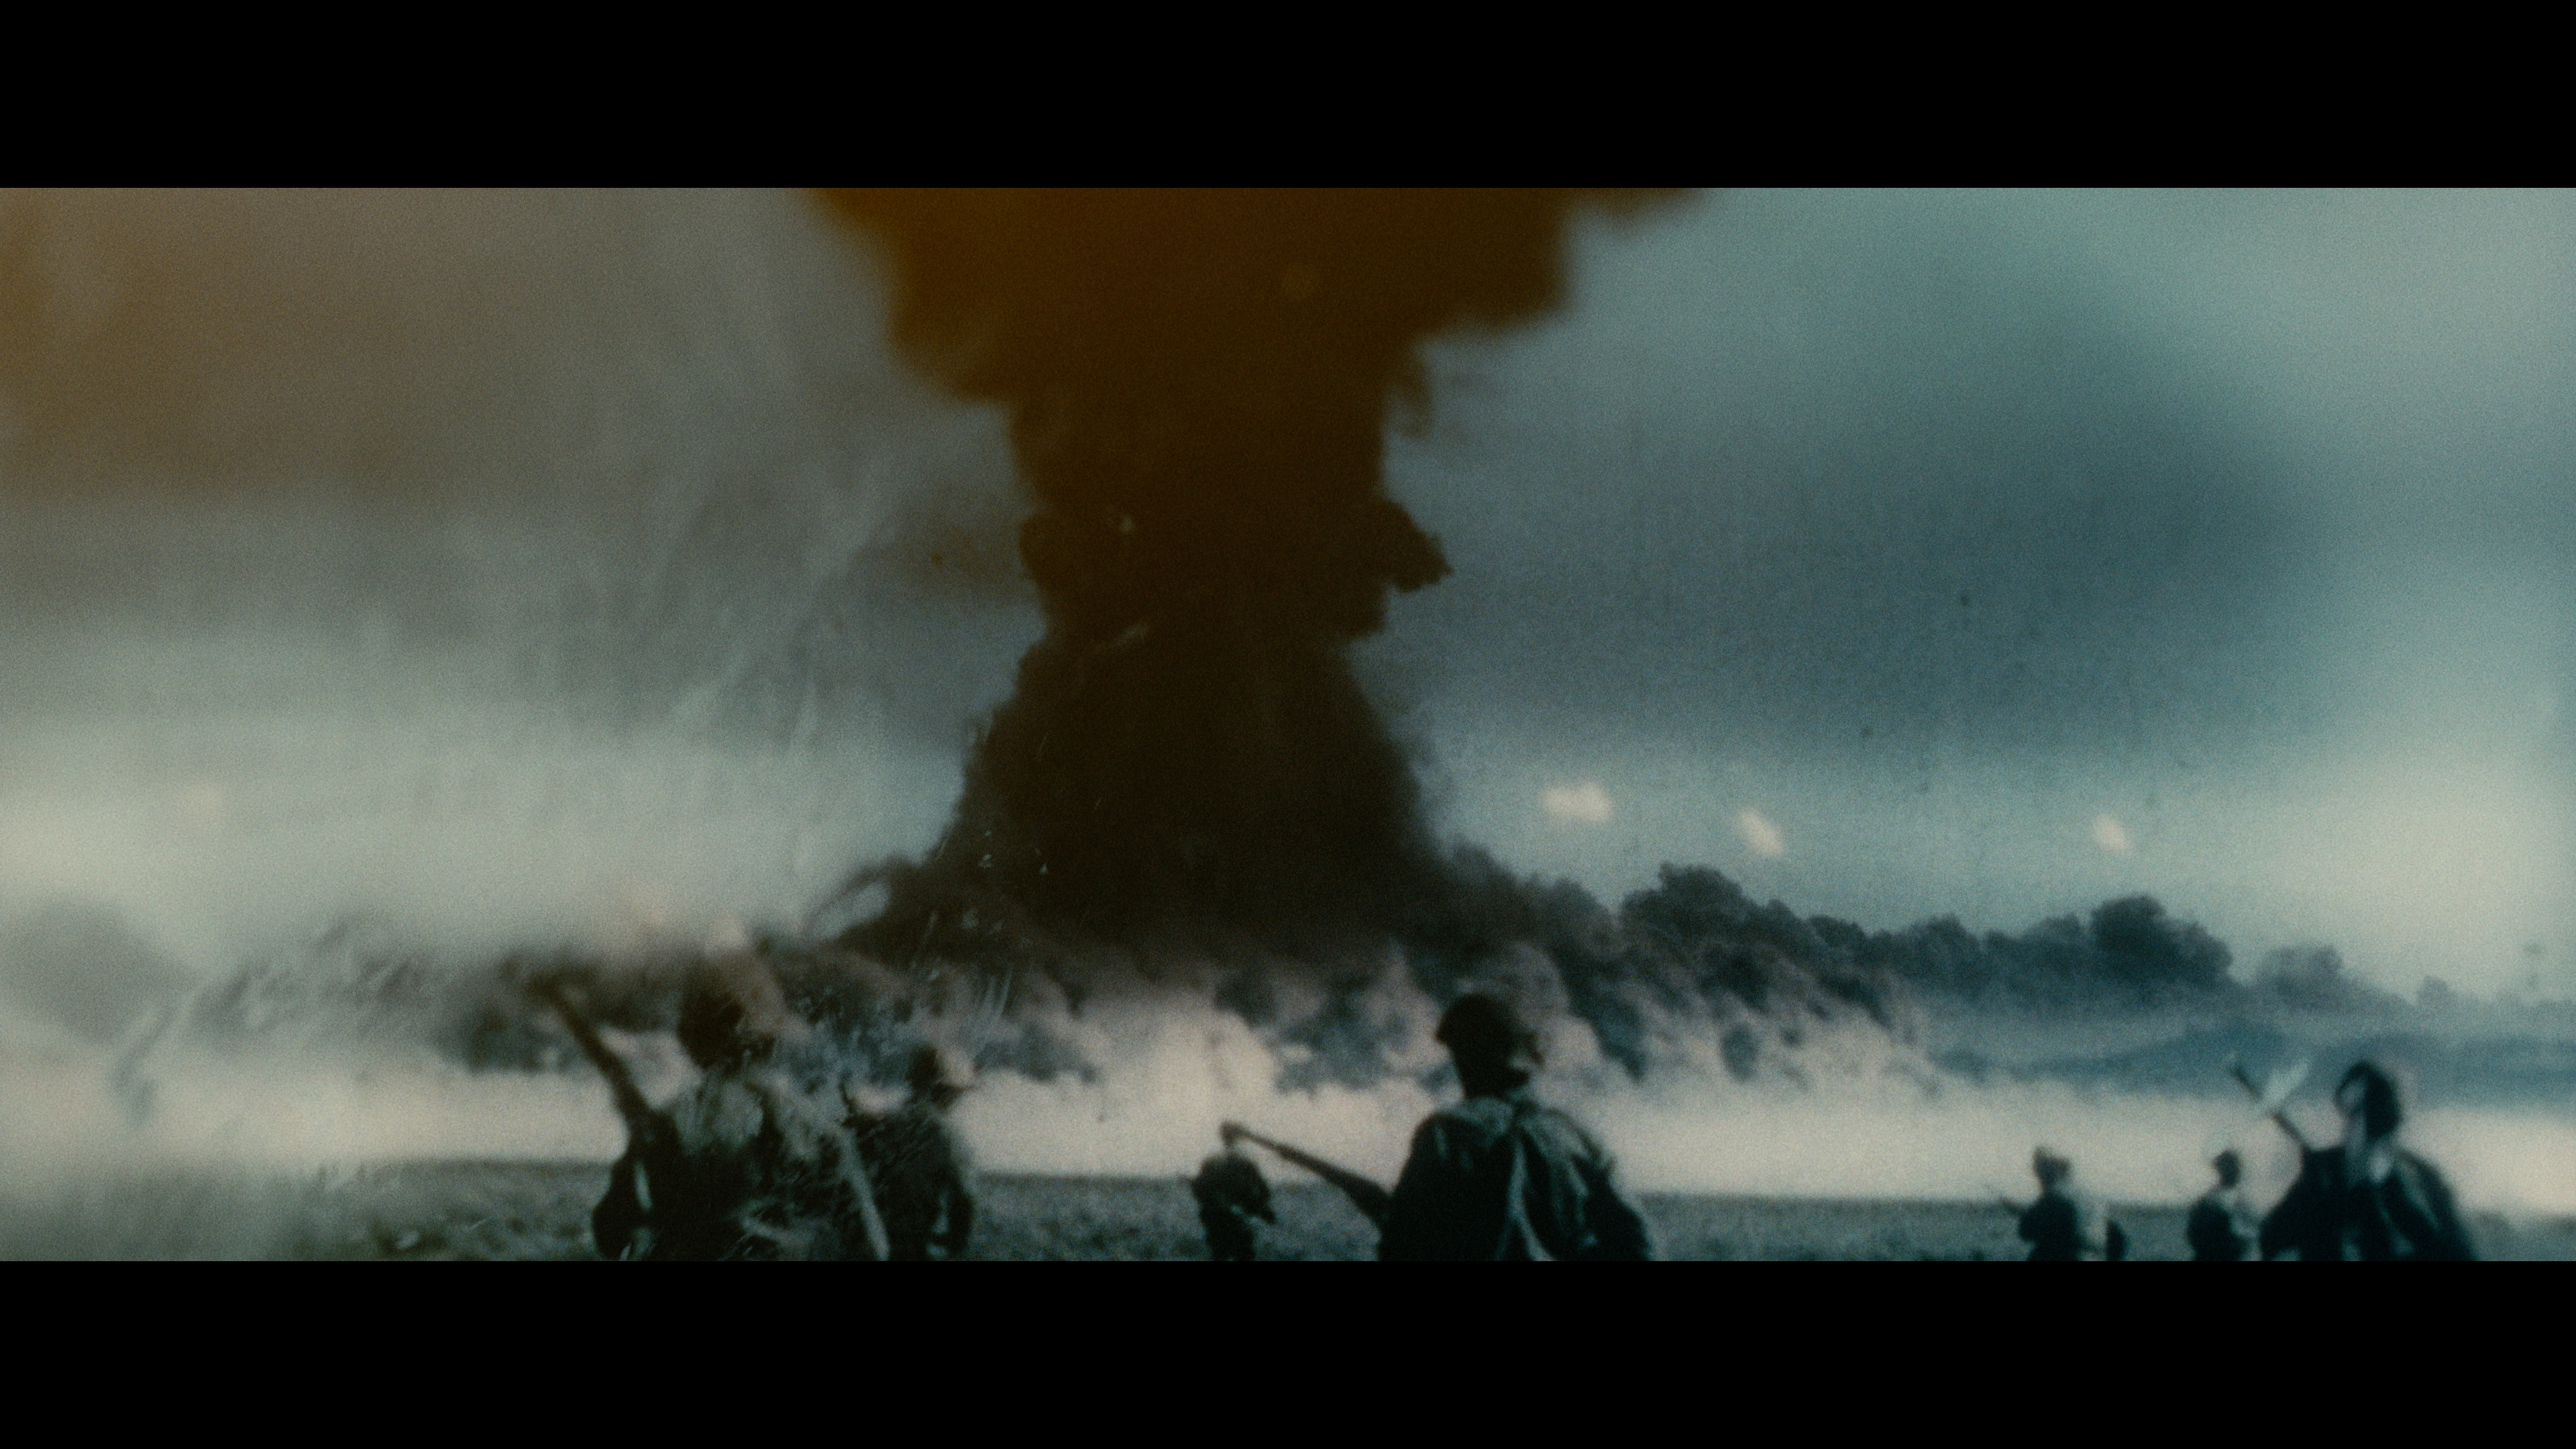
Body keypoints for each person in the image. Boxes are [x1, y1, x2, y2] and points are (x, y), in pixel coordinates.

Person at [593, 961, 890, 1261]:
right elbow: (871, 1243)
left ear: (692, 1039)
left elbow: (611, 1230)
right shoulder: (815, 1122)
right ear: (770, 1038)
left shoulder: (670, 1119)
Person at [1377, 992, 1655, 1261]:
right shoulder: (1576, 1135)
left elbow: (1401, 1246)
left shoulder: (1446, 1133)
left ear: (1469, 1058)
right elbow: (1636, 1241)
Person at [2259, 1061, 2474, 1261]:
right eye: (2346, 1116)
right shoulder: (2325, 1173)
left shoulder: (2423, 1179)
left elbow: (2457, 1253)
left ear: (2382, 1117)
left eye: (2356, 1115)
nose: (2347, 1130)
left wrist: (2391, 1193)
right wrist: (2319, 1203)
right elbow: (2271, 1238)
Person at [851, 1042, 979, 1261]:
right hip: (916, 1246)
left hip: (873, 1243)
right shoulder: (948, 1136)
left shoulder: (882, 1124)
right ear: (949, 1092)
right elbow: (963, 1198)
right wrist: (956, 1241)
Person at [2018, 1149, 2127, 1261]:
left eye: (2041, 1172)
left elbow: (2026, 1232)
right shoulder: (2089, 1196)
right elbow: (2116, 1238)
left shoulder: (2055, 1197)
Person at [1190, 1139, 1277, 1261]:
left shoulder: (1215, 1163)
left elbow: (1201, 1190)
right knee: (1236, 1253)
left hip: (1224, 1220)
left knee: (1225, 1253)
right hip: (1229, 1220)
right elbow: (1263, 1191)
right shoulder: (1244, 1164)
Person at [2186, 1149, 2257, 1262]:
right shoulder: (2210, 1200)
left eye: (2233, 1168)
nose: (2233, 1172)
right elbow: (2194, 1233)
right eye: (2228, 1168)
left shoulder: (2240, 1201)